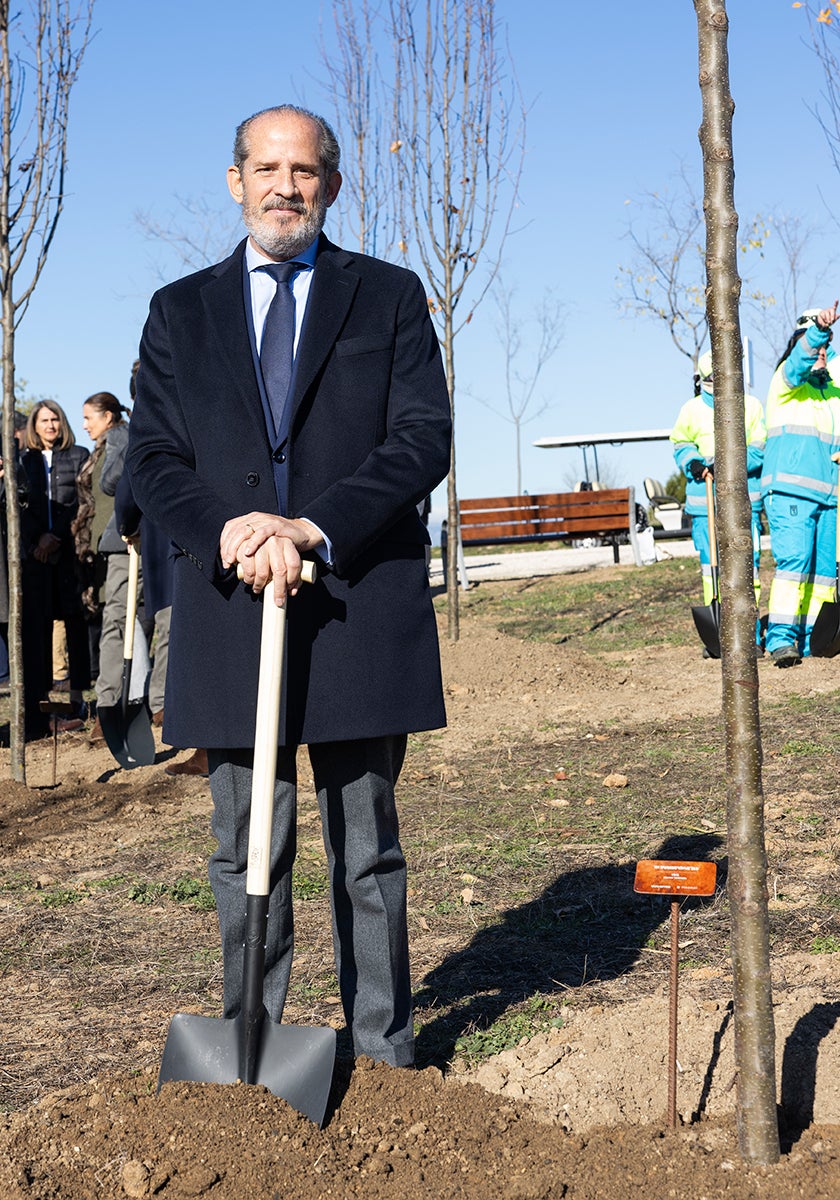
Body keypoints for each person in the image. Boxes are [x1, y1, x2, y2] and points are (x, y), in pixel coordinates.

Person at [128, 105, 451, 1068]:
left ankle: (384, 1050)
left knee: (367, 848)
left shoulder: (387, 298)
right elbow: (151, 456)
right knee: (245, 847)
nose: (285, 186)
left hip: (356, 602)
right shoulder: (178, 311)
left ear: (333, 185)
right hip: (235, 613)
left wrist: (313, 527)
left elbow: (420, 439)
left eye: (304, 170)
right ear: (235, 181)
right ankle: (251, 1046)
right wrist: (229, 531)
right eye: (266, 168)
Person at [671, 351, 766, 655]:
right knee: (711, 567)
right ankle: (720, 633)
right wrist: (695, 464)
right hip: (705, 504)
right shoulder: (691, 410)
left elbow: (760, 449)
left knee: (748, 565)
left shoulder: (750, 406)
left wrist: (726, 464)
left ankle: (750, 632)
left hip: (742, 501)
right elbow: (680, 443)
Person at [762, 303, 840, 666]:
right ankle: (781, 639)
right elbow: (798, 362)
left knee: (823, 575)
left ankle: (812, 640)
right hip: (791, 492)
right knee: (794, 566)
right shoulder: (786, 382)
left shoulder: (830, 395)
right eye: (813, 346)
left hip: (827, 497)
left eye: (826, 347)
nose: (820, 352)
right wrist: (819, 330)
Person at [20, 401, 90, 737]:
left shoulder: (78, 455)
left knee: (75, 624)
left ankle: (77, 697)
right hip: (37, 557)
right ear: (34, 426)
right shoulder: (26, 460)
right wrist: (37, 541)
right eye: (44, 420)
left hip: (68, 553)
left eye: (55, 419)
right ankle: (43, 703)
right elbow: (21, 505)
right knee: (39, 629)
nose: (50, 426)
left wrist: (56, 537)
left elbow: (78, 501)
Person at [72, 391, 136, 740]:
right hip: (105, 547)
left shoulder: (120, 440)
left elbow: (113, 484)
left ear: (108, 417)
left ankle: (110, 706)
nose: (84, 425)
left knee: (118, 620)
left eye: (89, 418)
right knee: (112, 619)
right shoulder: (104, 445)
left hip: (124, 543)